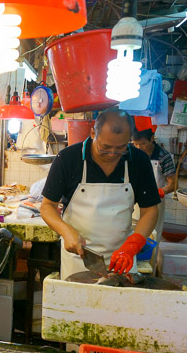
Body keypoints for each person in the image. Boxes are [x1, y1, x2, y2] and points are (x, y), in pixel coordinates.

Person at [40, 110, 160, 280]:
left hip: (122, 260)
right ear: (93, 133)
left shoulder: (139, 161)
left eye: (120, 148)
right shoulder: (68, 158)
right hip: (79, 259)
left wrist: (133, 245)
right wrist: (65, 231)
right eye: (105, 148)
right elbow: (47, 206)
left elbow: (150, 211)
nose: (112, 154)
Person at [131, 121, 176, 234]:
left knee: (152, 235)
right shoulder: (131, 154)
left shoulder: (163, 156)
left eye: (142, 144)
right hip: (132, 202)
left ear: (152, 138)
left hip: (154, 203)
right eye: (136, 144)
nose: (139, 147)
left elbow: (173, 184)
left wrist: (158, 192)